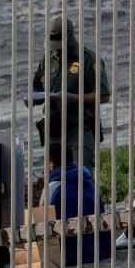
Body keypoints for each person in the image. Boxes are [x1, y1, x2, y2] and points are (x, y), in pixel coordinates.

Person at [29, 15, 111, 170]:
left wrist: (72, 98)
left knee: (80, 176)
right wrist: (32, 98)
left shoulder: (88, 60)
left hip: (78, 129)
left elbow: (104, 95)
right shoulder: (48, 59)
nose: (56, 50)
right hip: (53, 131)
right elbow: (37, 88)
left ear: (69, 37)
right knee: (55, 178)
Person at [44, 142, 111, 266]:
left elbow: (44, 224)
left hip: (71, 256)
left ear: (51, 163)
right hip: (100, 250)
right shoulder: (90, 181)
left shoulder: (52, 188)